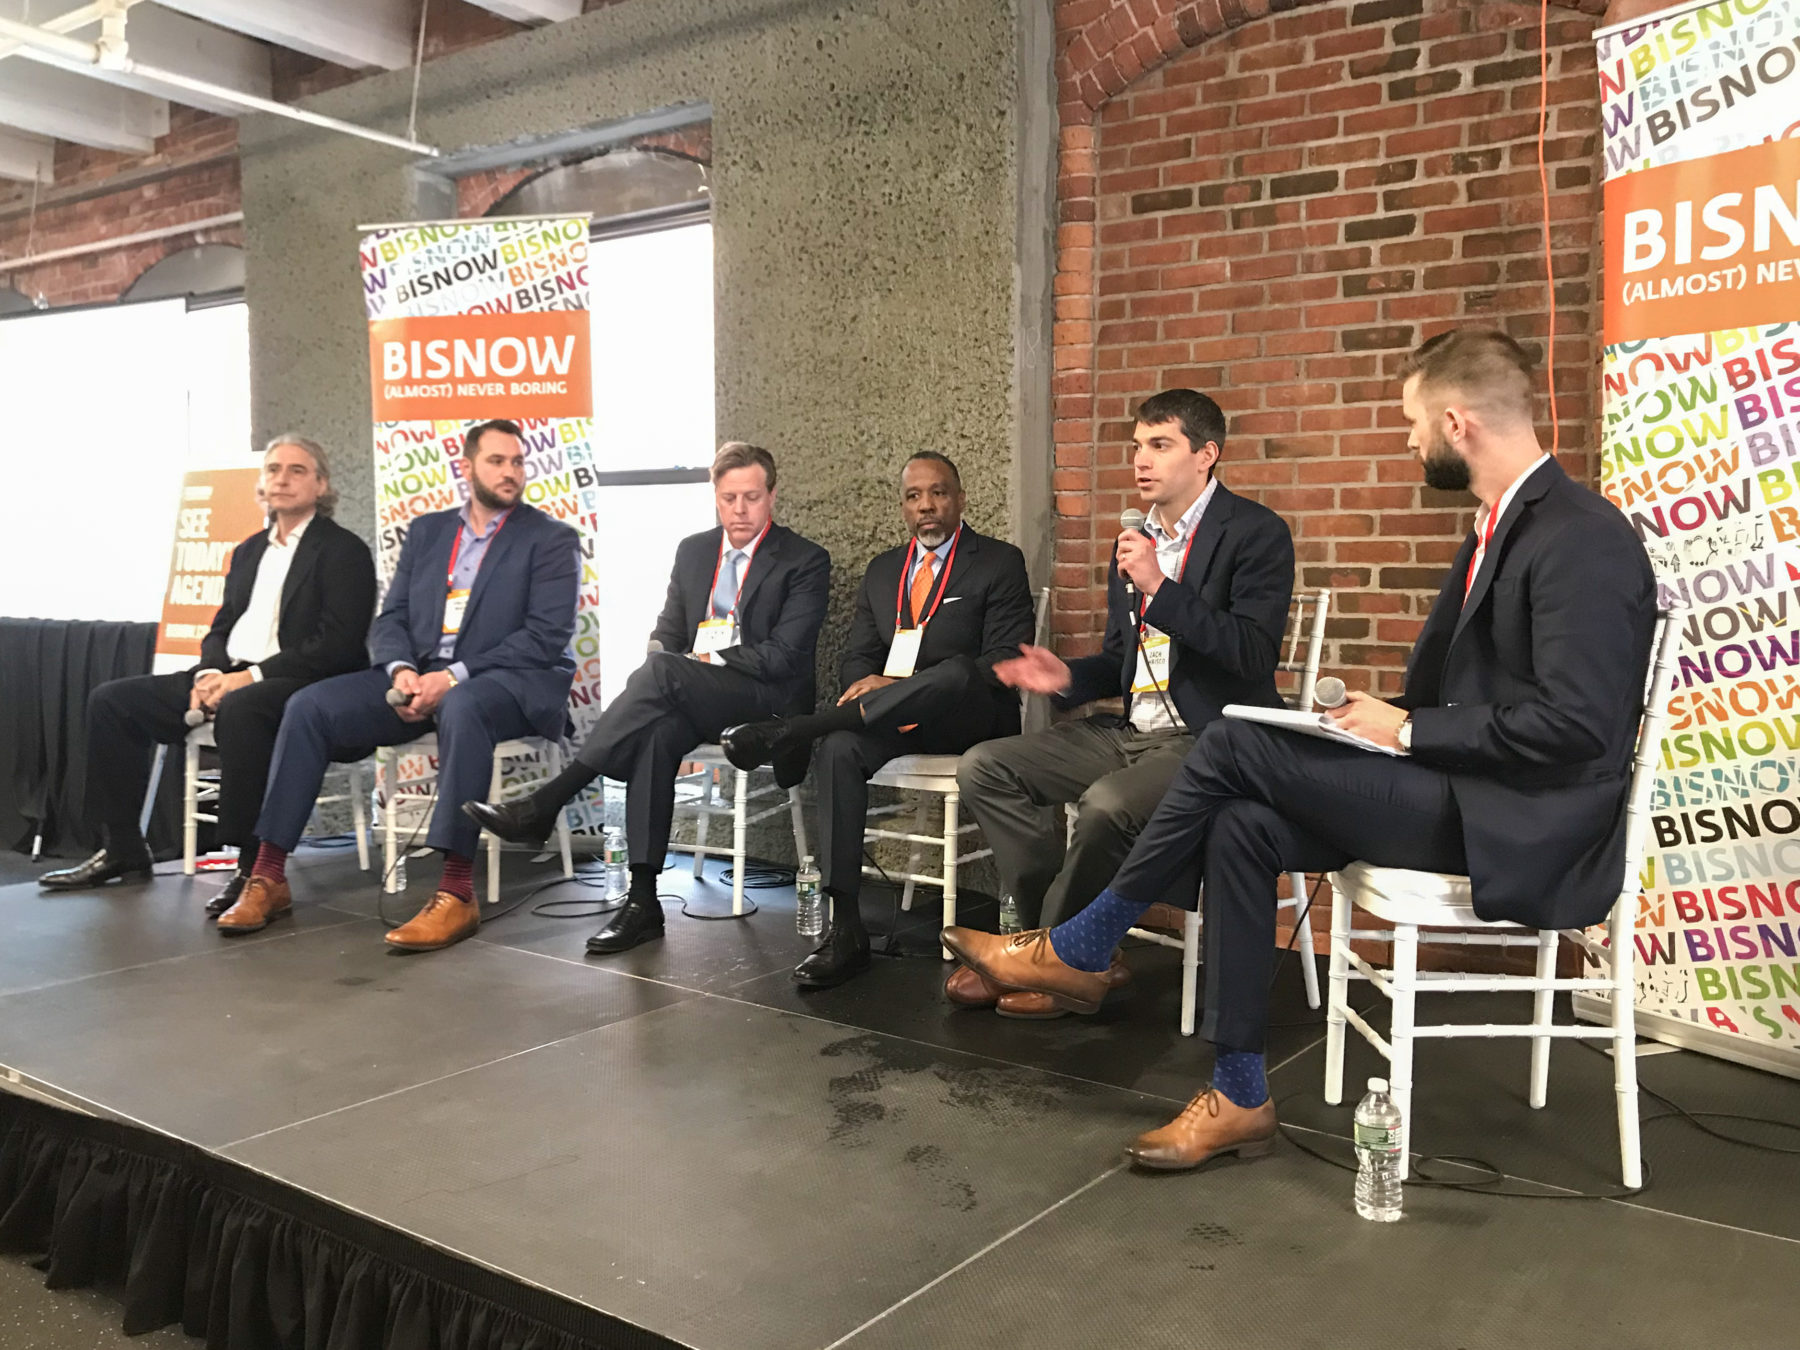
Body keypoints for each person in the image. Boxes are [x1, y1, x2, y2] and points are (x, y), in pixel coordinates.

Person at [941, 328, 1657, 1170]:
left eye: (1412, 422)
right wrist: (1389, 715)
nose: (1408, 437)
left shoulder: (1581, 536)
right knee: (1243, 822)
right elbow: (1479, 695)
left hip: (1519, 820)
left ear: (1457, 423)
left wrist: (1413, 729)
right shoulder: (1496, 525)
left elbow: (1579, 727)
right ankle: (1240, 1090)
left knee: (1236, 739)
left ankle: (1083, 943)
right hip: (1459, 787)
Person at [950, 389, 1295, 1018]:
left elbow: (1251, 655)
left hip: (1208, 738)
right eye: (1137, 446)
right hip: (1129, 727)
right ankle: (1052, 947)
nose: (1141, 460)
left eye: (1160, 445)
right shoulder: (1135, 540)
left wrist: (1160, 587)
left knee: (1107, 805)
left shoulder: (1255, 532)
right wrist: (1068, 677)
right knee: (984, 766)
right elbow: (1121, 660)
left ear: (1206, 455)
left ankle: (1052, 960)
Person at [214, 419, 580, 951]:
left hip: (507, 683)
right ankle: (268, 875)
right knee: (309, 705)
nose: (511, 472)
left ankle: (456, 893)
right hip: (419, 675)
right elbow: (393, 618)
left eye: (518, 462)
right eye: (497, 461)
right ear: (466, 468)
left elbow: (545, 637)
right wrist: (402, 670)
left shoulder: (549, 538)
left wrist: (451, 677)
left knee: (464, 706)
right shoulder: (430, 532)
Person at [463, 441, 831, 957]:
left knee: (662, 671)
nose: (739, 510)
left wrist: (698, 664)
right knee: (657, 730)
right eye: (728, 499)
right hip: (695, 694)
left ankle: (548, 801)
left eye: (751, 497)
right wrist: (674, 664)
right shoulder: (694, 550)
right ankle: (642, 902)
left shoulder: (805, 560)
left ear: (772, 494)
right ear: (716, 497)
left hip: (765, 704)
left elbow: (784, 657)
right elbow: (667, 632)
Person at [720, 452, 1034, 987]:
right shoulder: (884, 570)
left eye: (937, 493)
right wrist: (869, 685)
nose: (926, 506)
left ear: (960, 499)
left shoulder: (999, 561)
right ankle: (846, 929)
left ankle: (797, 729)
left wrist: (900, 687)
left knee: (956, 670)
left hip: (968, 715)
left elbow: (1003, 662)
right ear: (903, 507)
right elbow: (858, 657)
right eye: (914, 497)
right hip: (889, 720)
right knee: (841, 748)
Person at [39, 436, 375, 908]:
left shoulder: (344, 552)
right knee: (112, 702)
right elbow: (221, 627)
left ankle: (252, 868)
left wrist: (246, 679)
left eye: (297, 470)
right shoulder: (247, 551)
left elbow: (336, 646)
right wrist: (210, 675)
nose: (282, 477)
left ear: (321, 485)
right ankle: (123, 847)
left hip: (300, 682)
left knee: (244, 707)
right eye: (274, 468)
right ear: (262, 483)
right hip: (228, 675)